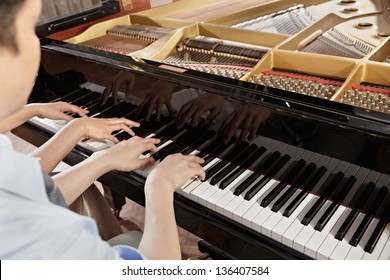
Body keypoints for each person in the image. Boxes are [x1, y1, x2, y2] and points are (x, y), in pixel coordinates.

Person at [0, 0, 205, 260]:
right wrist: (159, 186)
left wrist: (98, 154)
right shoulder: (41, 238)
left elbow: (21, 193)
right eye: (30, 28)